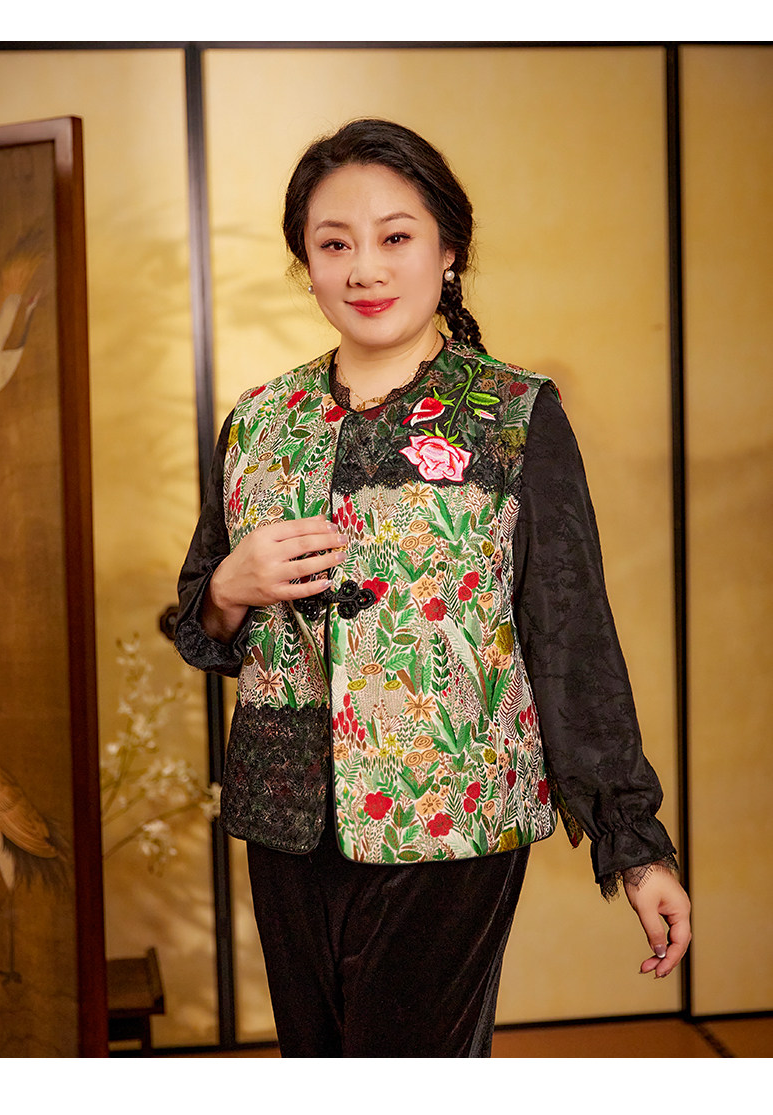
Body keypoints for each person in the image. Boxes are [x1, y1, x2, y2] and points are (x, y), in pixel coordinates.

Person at [175, 117, 692, 1058]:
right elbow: (203, 624)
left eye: (395, 236)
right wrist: (230, 585)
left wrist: (636, 846)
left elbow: (570, 636)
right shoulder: (256, 420)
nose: (365, 268)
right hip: (288, 815)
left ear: (448, 250)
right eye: (335, 244)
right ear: (306, 262)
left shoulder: (513, 414)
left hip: (456, 813)